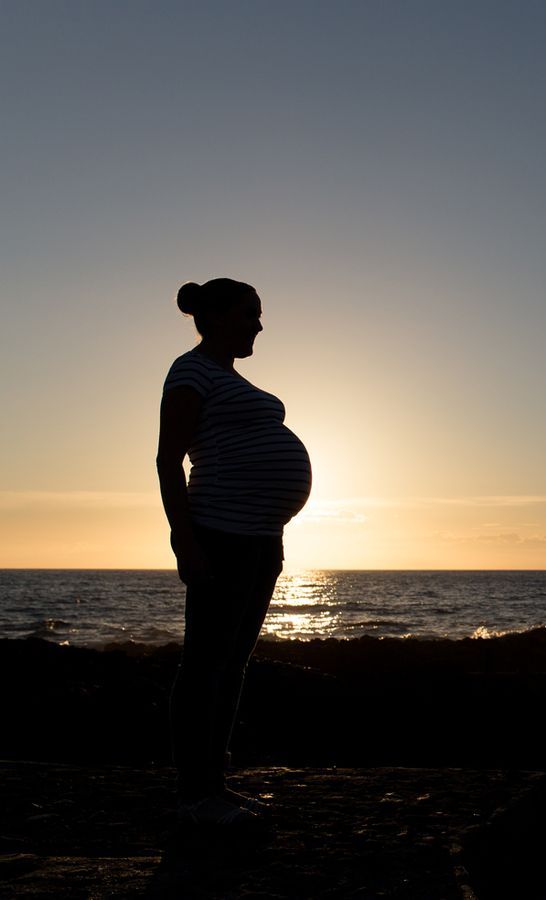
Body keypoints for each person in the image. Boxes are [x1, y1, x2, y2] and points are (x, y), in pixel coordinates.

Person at [156, 278, 311, 827]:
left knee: (233, 664)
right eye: (251, 314)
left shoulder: (229, 378)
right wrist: (184, 539)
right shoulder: (190, 371)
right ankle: (194, 796)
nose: (259, 325)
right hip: (219, 534)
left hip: (261, 539)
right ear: (218, 317)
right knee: (204, 664)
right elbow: (168, 459)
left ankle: (215, 787)